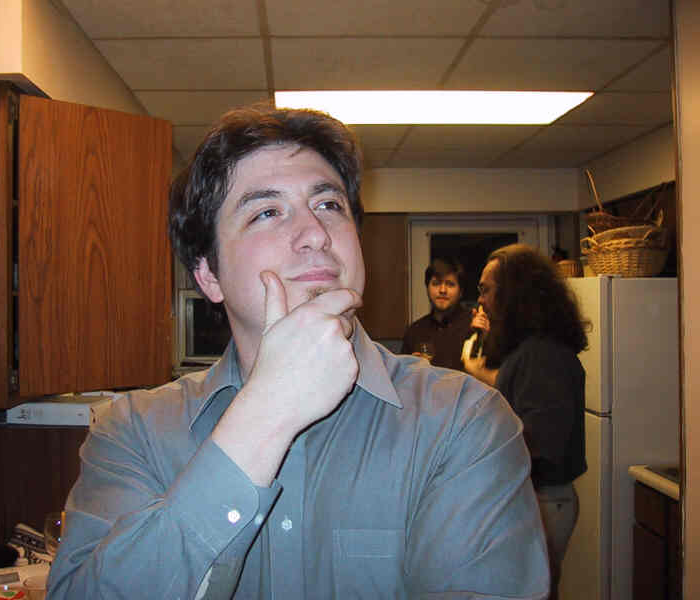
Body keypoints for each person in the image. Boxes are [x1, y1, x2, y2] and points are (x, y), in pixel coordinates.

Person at [47, 103, 549, 599]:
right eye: (266, 212)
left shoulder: (465, 421)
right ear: (209, 274)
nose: (316, 234)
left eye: (329, 205)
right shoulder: (132, 433)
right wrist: (265, 413)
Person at [463, 243, 589, 600]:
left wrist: (480, 459)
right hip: (537, 497)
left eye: (486, 289)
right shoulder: (530, 347)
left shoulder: (543, 353)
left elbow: (542, 444)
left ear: (513, 293)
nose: (481, 300)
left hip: (544, 501)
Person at [401, 257, 473, 370]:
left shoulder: (473, 326)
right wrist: (411, 368)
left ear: (461, 291)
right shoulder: (414, 331)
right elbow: (402, 376)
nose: (442, 290)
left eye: (450, 284)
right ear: (427, 287)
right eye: (436, 284)